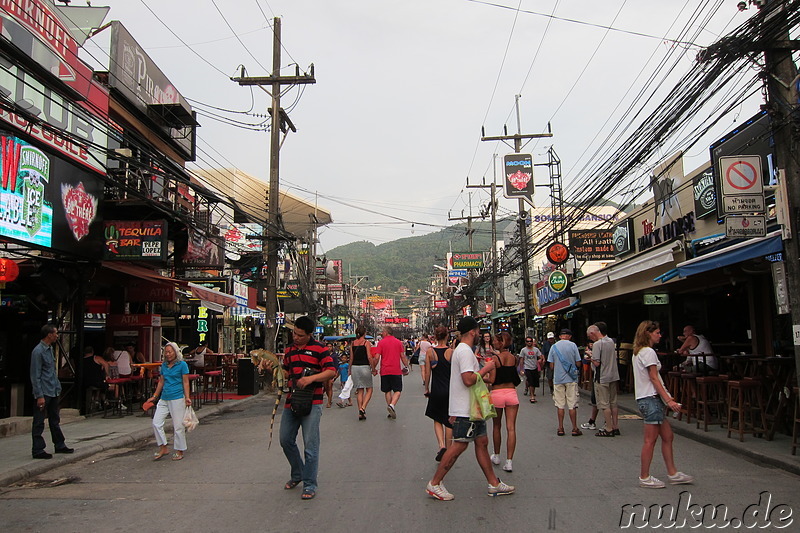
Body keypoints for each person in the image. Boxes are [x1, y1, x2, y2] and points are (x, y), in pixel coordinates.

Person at [425, 316, 514, 501]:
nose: (480, 334)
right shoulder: (464, 351)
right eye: (478, 331)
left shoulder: (463, 350)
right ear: (472, 331)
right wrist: (487, 367)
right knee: (459, 445)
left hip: (472, 408)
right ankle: (435, 483)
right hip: (466, 409)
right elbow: (468, 380)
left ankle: (494, 484)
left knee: (482, 443)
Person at [279, 316, 336, 500]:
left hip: (313, 402)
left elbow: (331, 371)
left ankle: (310, 483)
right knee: (285, 439)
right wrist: (272, 369)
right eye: (294, 333)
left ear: (310, 335)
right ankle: (298, 473)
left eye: (300, 335)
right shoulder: (289, 350)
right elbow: (286, 371)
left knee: (310, 446)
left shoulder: (320, 349)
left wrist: (310, 379)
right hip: (291, 401)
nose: (296, 337)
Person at [633, 320, 694, 489]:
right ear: (648, 333)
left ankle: (673, 473)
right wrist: (668, 399)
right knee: (650, 440)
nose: (660, 335)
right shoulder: (649, 352)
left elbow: (653, 377)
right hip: (651, 398)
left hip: (649, 398)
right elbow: (654, 377)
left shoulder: (638, 352)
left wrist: (666, 397)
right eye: (657, 333)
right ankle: (644, 476)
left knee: (667, 436)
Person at [30, 324, 74, 459]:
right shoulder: (38, 352)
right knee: (39, 421)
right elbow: (35, 375)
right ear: (49, 334)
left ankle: (59, 444)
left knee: (54, 419)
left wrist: (57, 387)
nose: (57, 335)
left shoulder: (49, 349)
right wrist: (39, 395)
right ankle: (38, 449)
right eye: (55, 333)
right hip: (44, 392)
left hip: (53, 390)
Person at [147, 342, 191, 461]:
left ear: (176, 352)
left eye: (170, 352)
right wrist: (155, 396)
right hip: (164, 398)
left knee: (178, 426)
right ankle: (163, 446)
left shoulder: (182, 365)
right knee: (156, 423)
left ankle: (179, 450)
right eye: (166, 352)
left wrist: (187, 397)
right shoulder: (164, 365)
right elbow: (161, 381)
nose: (168, 354)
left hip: (177, 397)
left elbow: (185, 382)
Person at [487, 331, 520, 473]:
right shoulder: (513, 358)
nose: (493, 342)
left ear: (500, 343)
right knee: (511, 428)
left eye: (495, 340)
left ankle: (497, 455)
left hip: (497, 394)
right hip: (511, 393)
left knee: (496, 426)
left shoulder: (495, 360)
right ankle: (509, 461)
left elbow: (492, 380)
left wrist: (482, 377)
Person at [423, 325, 453, 462]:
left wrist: (427, 388)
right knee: (448, 421)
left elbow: (428, 372)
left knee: (437, 418)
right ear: (447, 336)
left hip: (436, 389)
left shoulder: (430, 352)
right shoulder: (451, 352)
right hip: (450, 390)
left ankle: (441, 445)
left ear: (435, 336)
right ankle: (449, 448)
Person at [548, 329, 582, 437]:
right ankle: (574, 428)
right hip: (571, 379)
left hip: (558, 379)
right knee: (572, 405)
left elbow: (551, 365)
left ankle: (561, 427)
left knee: (560, 405)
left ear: (560, 336)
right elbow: (578, 363)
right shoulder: (573, 346)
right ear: (569, 336)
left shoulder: (554, 347)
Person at [588, 322, 620, 437]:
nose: (590, 338)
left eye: (589, 336)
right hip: (613, 375)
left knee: (604, 403)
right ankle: (615, 426)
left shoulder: (598, 344)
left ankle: (608, 428)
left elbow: (597, 363)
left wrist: (590, 355)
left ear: (593, 333)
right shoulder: (611, 341)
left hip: (602, 377)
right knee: (613, 402)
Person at [372, 325, 409, 419]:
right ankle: (392, 405)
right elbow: (403, 356)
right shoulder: (398, 342)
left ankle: (390, 407)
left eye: (383, 332)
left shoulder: (381, 343)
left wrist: (373, 368)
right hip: (396, 370)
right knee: (398, 390)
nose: (382, 333)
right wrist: (406, 366)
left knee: (387, 390)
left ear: (387, 332)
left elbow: (376, 357)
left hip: (385, 370)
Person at [349, 325, 376, 420]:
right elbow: (369, 356)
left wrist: (349, 370)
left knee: (360, 390)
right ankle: (363, 408)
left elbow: (351, 358)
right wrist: (373, 368)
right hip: (364, 367)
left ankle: (360, 412)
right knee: (369, 389)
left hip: (355, 368)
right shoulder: (366, 343)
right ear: (364, 333)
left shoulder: (352, 343)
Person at [519, 336, 541, 403]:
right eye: (527, 341)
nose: (529, 342)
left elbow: (540, 357)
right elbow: (521, 359)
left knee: (534, 383)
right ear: (525, 342)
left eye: (530, 341)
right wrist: (521, 369)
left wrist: (540, 361)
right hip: (527, 367)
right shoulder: (523, 350)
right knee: (530, 382)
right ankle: (532, 396)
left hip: (534, 367)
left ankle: (532, 393)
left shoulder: (536, 350)